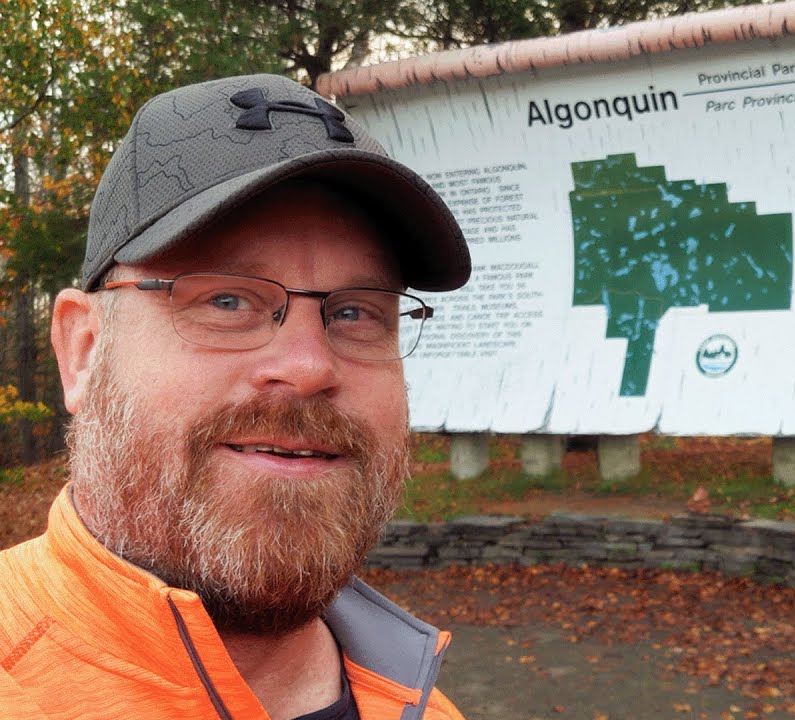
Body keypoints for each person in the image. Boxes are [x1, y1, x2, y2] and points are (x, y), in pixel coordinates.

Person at [0, 74, 472, 719]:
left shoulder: (422, 706)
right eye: (226, 300)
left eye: (357, 314)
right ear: (82, 350)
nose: (308, 368)